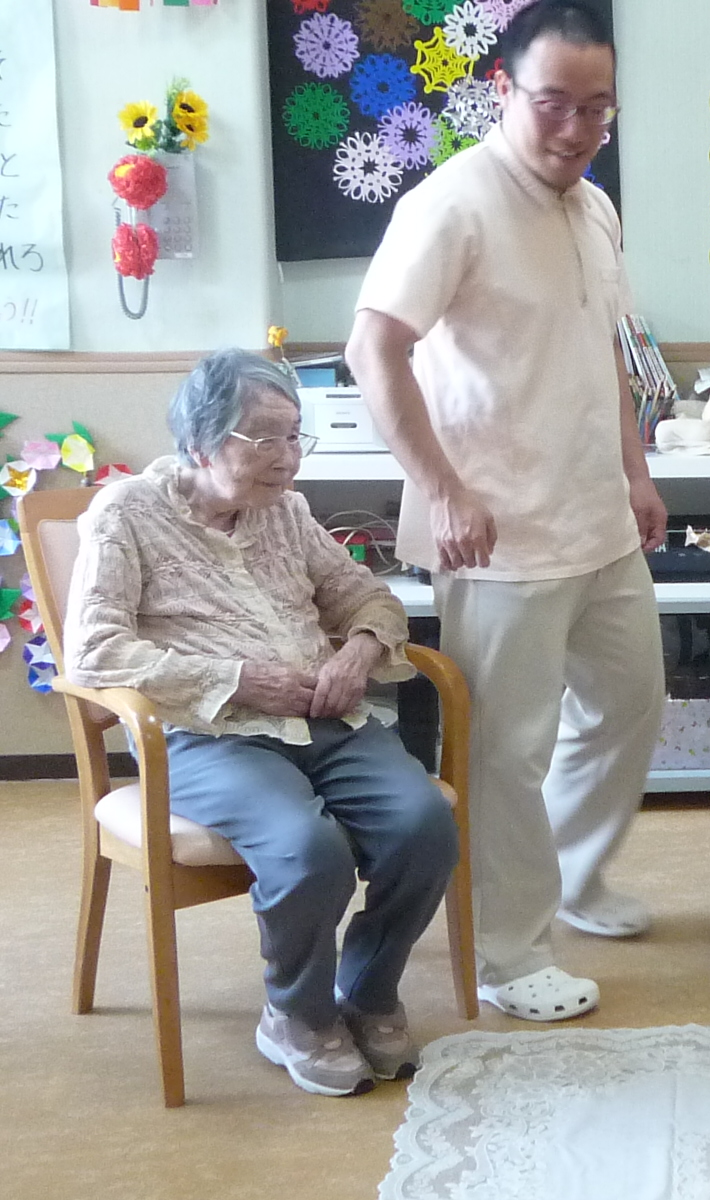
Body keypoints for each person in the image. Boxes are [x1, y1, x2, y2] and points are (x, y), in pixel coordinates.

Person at [345, 0, 665, 1023]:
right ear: (501, 91)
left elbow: (609, 351)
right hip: (498, 536)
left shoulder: (595, 208)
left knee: (631, 705)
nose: (576, 130)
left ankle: (569, 874)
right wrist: (445, 488)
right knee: (505, 752)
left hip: (598, 518)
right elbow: (372, 348)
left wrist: (637, 471)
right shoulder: (452, 204)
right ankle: (508, 951)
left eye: (597, 108)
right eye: (553, 104)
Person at [63, 349, 459, 1097]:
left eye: (294, 435)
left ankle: (368, 991)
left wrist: (360, 651)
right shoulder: (126, 515)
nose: (288, 458)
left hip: (325, 718)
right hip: (205, 734)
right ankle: (296, 1014)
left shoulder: (288, 511)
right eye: (266, 438)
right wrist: (238, 678)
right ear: (202, 442)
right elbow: (96, 651)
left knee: (424, 825)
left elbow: (365, 595)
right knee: (308, 849)